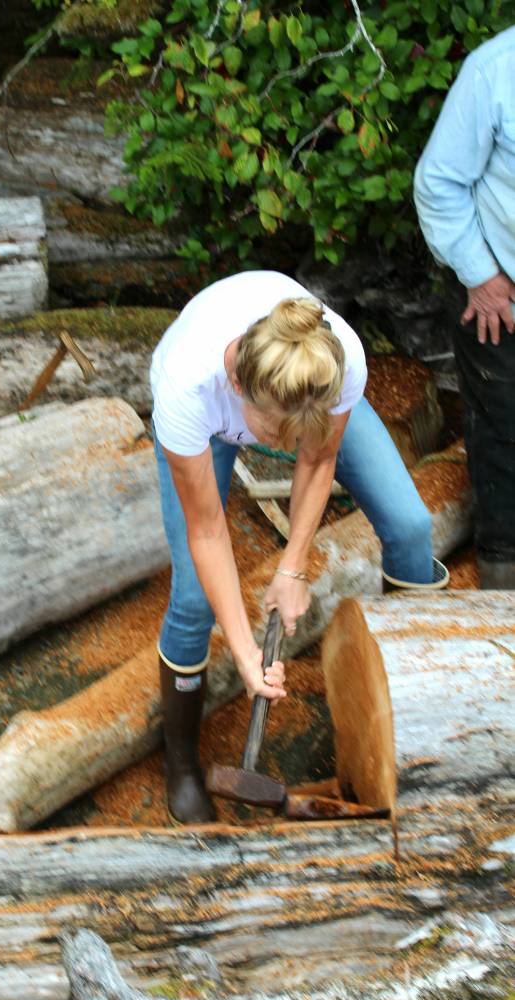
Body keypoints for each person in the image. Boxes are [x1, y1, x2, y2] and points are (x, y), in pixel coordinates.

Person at [150, 270, 449, 824]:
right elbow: (208, 530)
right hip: (211, 426)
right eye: (274, 435)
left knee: (410, 526)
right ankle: (182, 762)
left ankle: (415, 696)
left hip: (299, 392)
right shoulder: (186, 387)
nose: (284, 447)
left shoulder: (334, 362)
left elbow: (315, 457)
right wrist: (243, 651)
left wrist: (292, 569)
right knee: (193, 600)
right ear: (239, 389)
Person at [414, 25, 515, 589]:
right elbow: (439, 182)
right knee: (505, 421)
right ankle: (504, 567)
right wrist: (482, 278)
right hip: (498, 287)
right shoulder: (495, 69)